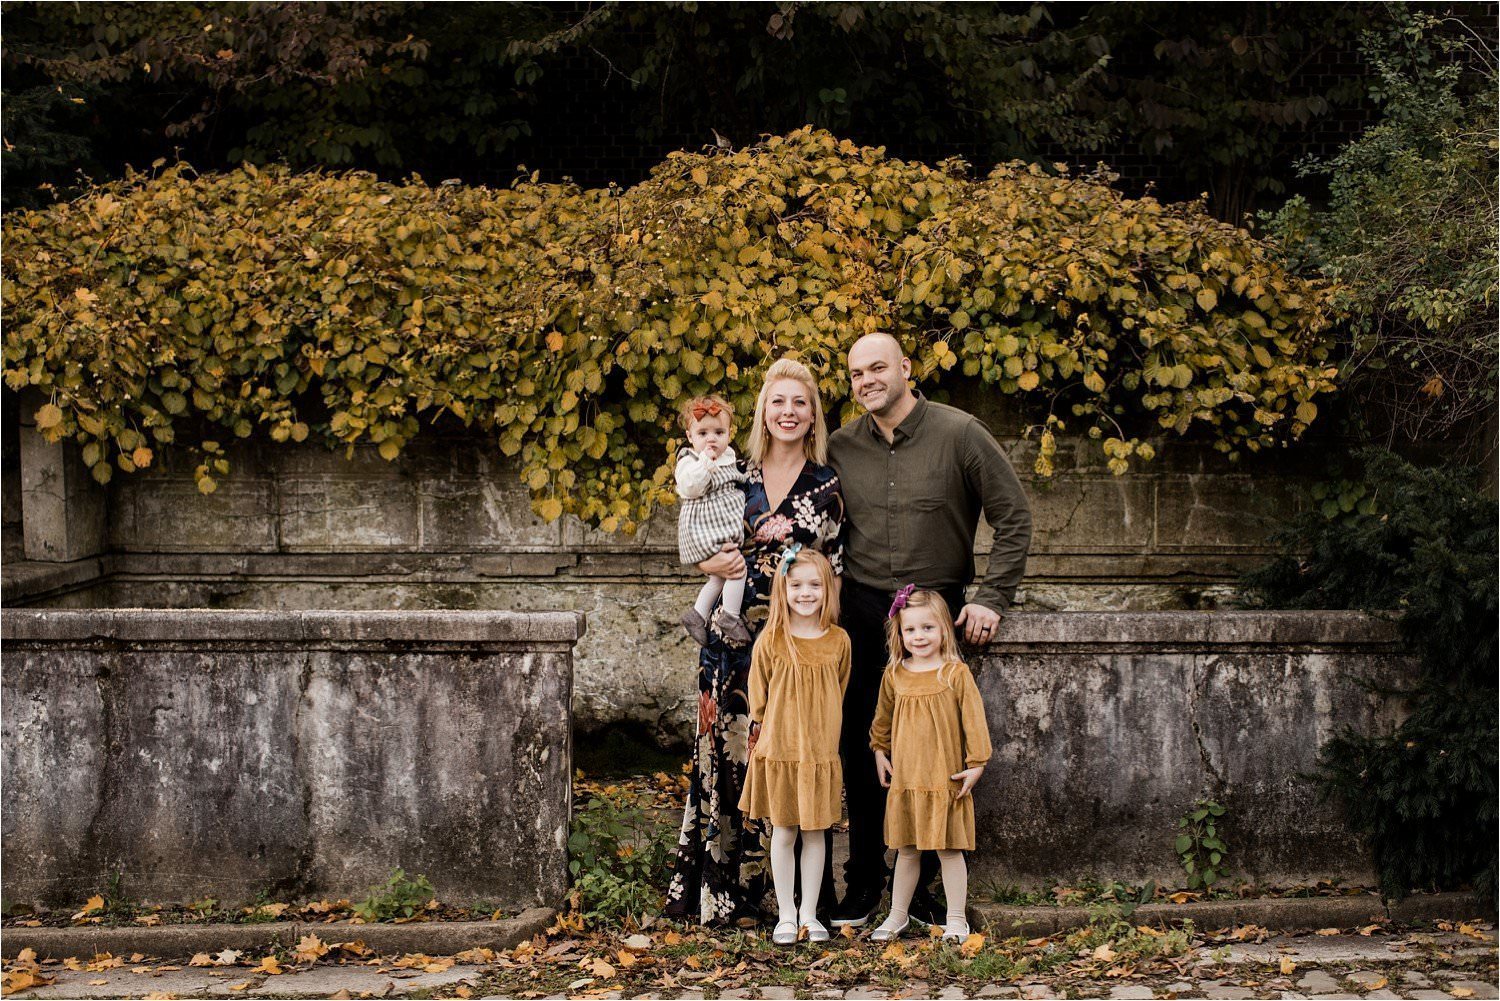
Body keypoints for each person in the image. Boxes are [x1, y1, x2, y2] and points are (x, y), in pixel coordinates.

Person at [826, 332, 1031, 929]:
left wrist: (992, 598)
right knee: (868, 748)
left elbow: (1013, 514)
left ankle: (927, 890)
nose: (867, 380)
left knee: (938, 753)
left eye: (878, 368)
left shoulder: (960, 433)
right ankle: (863, 883)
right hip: (864, 614)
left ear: (906, 369)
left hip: (938, 613)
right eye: (856, 372)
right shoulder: (840, 446)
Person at [663, 357, 846, 926]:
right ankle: (721, 891)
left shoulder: (827, 485)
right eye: (778, 402)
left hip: (791, 649)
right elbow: (693, 534)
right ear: (763, 412)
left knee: (786, 756)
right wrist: (703, 562)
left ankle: (787, 900)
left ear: (813, 414)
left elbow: (832, 569)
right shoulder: (730, 469)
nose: (788, 412)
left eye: (799, 403)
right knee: (726, 755)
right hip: (729, 636)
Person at [738, 546, 851, 944]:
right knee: (784, 832)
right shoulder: (771, 640)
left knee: (817, 833)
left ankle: (809, 914)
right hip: (782, 751)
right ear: (782, 590)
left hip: (819, 753)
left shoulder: (838, 641)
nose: (805, 593)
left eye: (815, 585)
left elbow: (839, 689)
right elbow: (759, 697)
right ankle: (786, 914)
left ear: (828, 590)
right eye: (796, 585)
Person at [868, 587, 991, 942]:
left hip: (945, 778)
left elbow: (974, 722)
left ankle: (956, 919)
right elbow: (883, 719)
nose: (919, 636)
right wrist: (879, 751)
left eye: (928, 628)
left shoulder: (954, 673)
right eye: (910, 630)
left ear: (944, 630)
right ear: (900, 633)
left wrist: (977, 763)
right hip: (907, 778)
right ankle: (897, 915)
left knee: (949, 849)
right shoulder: (895, 674)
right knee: (906, 850)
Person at [675, 396, 752, 647]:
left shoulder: (729, 457)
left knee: (720, 577)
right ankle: (729, 616)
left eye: (719, 432)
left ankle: (697, 614)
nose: (712, 439)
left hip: (717, 528)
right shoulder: (690, 461)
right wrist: (706, 463)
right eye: (703, 433)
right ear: (689, 436)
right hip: (702, 529)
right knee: (736, 567)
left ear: (729, 433)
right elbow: (690, 487)